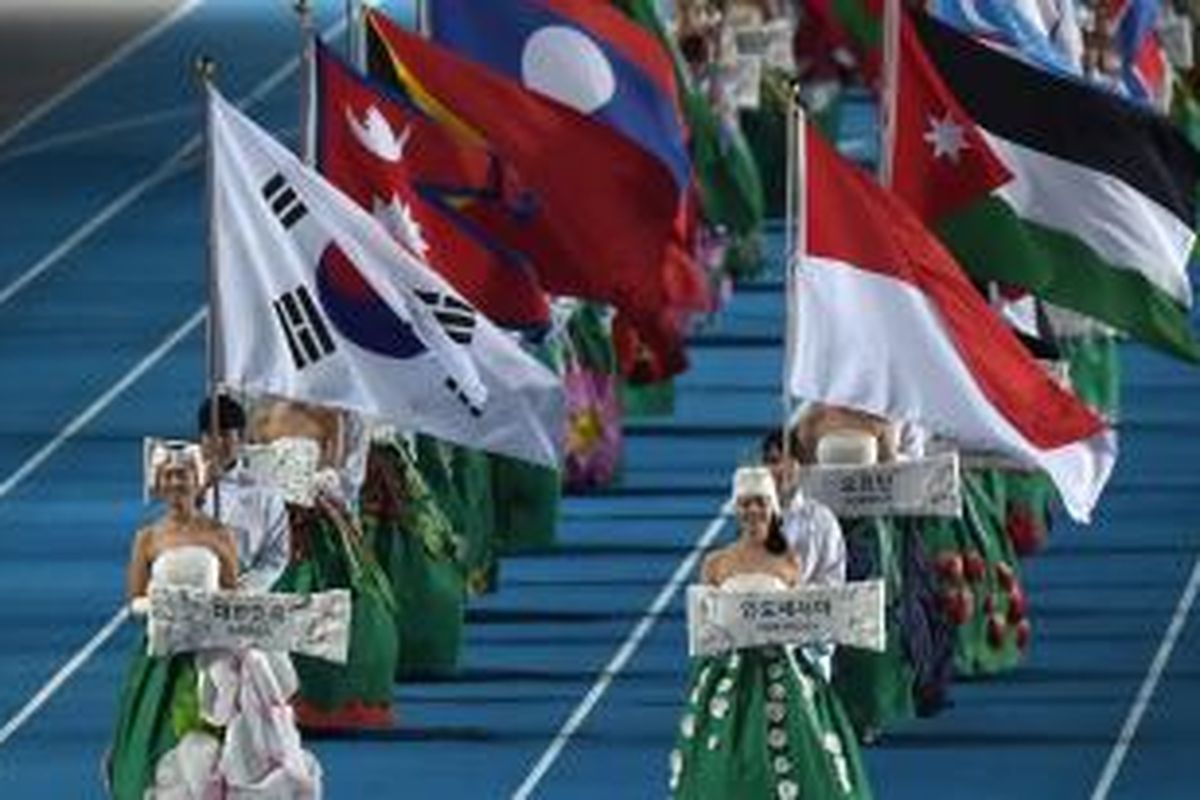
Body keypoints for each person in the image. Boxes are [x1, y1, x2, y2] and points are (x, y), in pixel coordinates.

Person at [108, 442, 320, 798]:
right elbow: (133, 601)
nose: (177, 483)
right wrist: (167, 608)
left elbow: (232, 593)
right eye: (170, 476)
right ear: (158, 484)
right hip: (166, 652)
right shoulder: (146, 538)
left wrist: (211, 611)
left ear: (199, 480)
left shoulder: (219, 534)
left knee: (221, 727)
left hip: (214, 649)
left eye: (185, 475)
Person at [669, 466, 872, 799]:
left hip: (780, 666)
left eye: (760, 502)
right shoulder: (715, 562)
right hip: (731, 671)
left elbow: (801, 615)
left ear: (773, 508)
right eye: (745, 503)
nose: (753, 511)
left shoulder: (789, 560)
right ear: (735, 508)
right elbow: (706, 625)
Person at [252, 399, 398, 731]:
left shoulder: (332, 414)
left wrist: (319, 487)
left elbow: (341, 471)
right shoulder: (265, 415)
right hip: (276, 523)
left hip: (319, 527)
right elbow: (253, 465)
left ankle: (330, 701)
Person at [197, 394, 290, 592]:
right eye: (209, 435)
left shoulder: (264, 492)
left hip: (244, 598)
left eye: (225, 435)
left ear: (240, 439)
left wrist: (246, 588)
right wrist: (201, 490)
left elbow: (276, 554)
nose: (217, 442)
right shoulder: (179, 486)